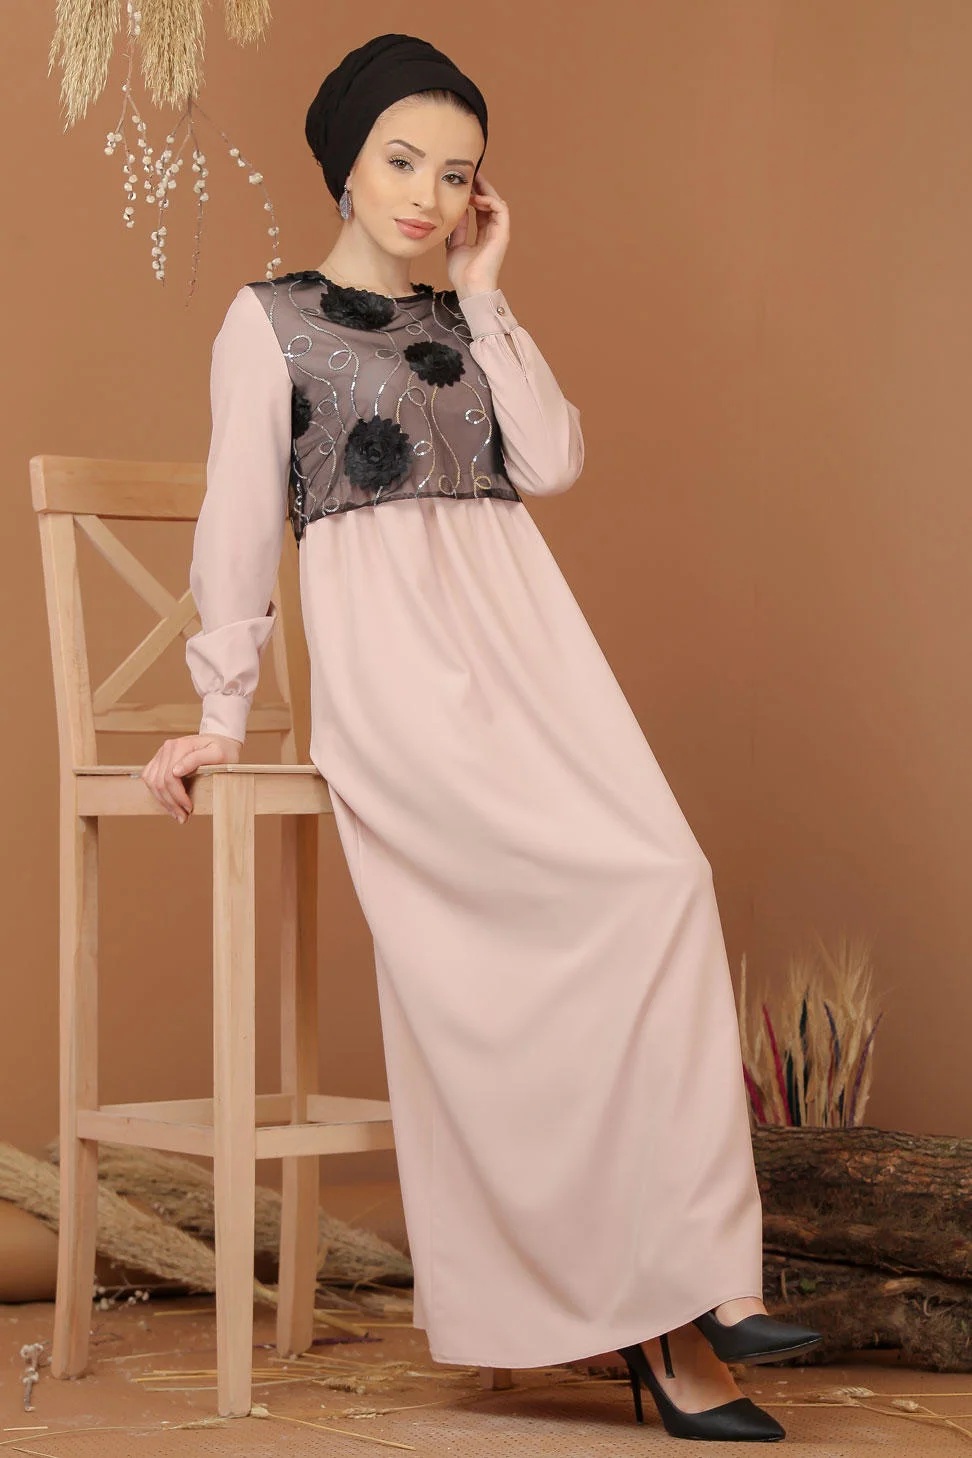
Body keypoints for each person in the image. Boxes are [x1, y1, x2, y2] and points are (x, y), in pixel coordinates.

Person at [140, 32, 821, 1443]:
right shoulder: (268, 322)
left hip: (534, 661)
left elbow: (554, 461)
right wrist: (219, 713)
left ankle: (704, 1283)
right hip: (401, 680)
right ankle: (662, 1314)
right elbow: (236, 526)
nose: (428, 195)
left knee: (663, 886)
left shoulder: (467, 318)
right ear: (343, 162)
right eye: (402, 161)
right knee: (554, 948)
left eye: (458, 175)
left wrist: (492, 294)